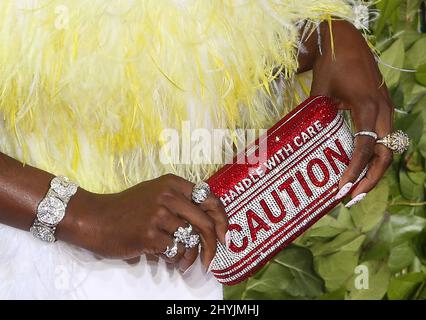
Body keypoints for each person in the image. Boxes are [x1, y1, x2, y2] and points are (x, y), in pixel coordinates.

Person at [0, 0, 404, 299]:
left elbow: (212, 40)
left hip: (182, 260)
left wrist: (329, 34)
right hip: (28, 259)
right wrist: (79, 214)